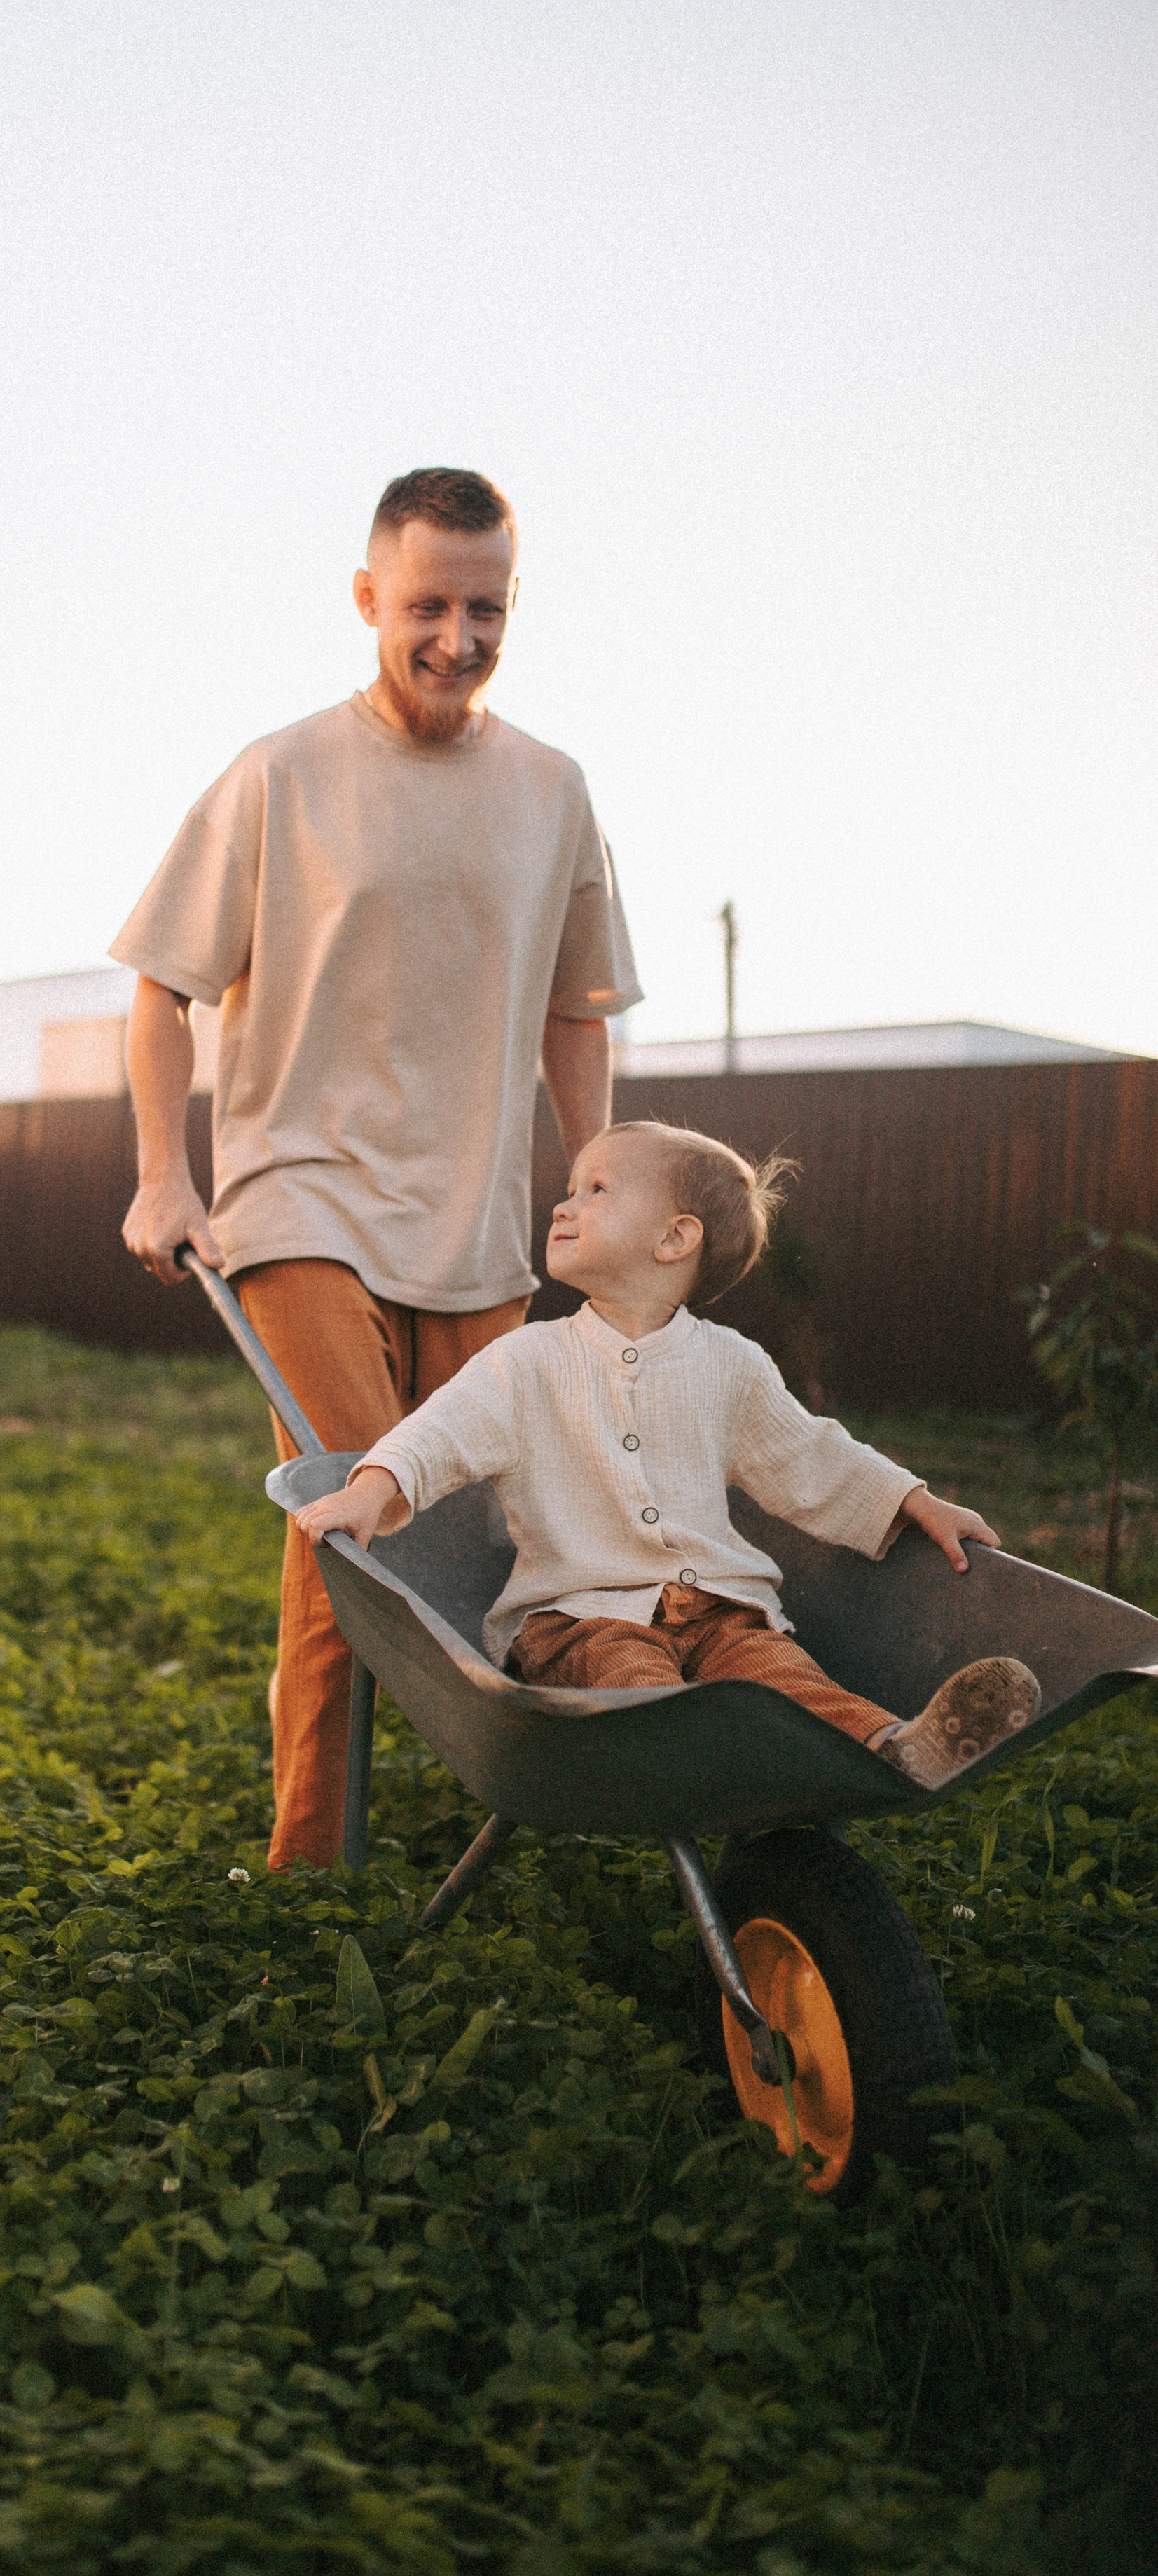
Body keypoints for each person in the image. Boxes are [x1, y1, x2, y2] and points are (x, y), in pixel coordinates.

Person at [115, 467, 642, 1868]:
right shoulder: (278, 775)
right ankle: (311, 1860)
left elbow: (574, 1012)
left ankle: (537, 1785)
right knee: (356, 1517)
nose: (455, 640)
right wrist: (166, 1179)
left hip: (472, 1229)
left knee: (477, 1533)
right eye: (426, 607)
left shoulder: (549, 791)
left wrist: (590, 1189)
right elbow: (160, 989)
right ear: (366, 600)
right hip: (296, 1203)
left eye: (485, 609)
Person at [294, 1120, 1041, 1782]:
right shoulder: (526, 1361)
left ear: (674, 1238)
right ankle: (695, 1757)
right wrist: (369, 1491)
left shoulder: (731, 1364)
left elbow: (809, 1458)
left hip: (724, 1610)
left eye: (596, 1190)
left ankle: (892, 1748)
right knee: (629, 1674)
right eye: (569, 1189)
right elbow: (439, 1432)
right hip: (576, 1616)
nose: (564, 1205)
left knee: (781, 1677)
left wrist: (914, 1500)